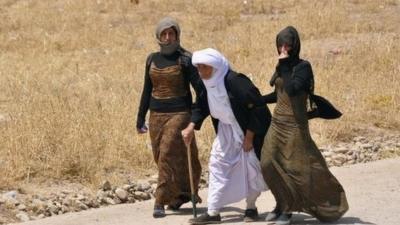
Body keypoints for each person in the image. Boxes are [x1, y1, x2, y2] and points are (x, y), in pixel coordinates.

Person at [260, 26, 349, 225]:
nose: (283, 49)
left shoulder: (303, 67)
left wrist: (283, 65)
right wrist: (258, 99)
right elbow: (280, 94)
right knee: (267, 164)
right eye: (280, 45)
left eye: (288, 45)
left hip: (294, 127)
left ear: (295, 46)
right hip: (277, 124)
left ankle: (289, 210)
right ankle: (280, 203)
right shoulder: (281, 67)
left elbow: (293, 90)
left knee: (294, 169)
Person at [182, 48, 271, 224]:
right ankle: (213, 212)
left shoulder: (235, 81)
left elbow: (259, 108)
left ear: (215, 67)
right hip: (225, 130)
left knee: (250, 168)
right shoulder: (205, 83)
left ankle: (251, 208)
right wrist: (191, 126)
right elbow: (201, 106)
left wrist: (249, 137)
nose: (200, 72)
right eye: (198, 68)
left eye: (204, 67)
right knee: (217, 164)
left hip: (246, 130)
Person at [136, 17, 203, 218]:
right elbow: (147, 90)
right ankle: (179, 195)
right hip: (156, 115)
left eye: (171, 34)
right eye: (164, 34)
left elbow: (200, 90)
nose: (168, 37)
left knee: (166, 153)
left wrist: (195, 117)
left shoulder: (185, 59)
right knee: (160, 156)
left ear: (177, 35)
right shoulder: (151, 59)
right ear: (158, 36)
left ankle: (160, 201)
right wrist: (140, 117)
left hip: (179, 114)